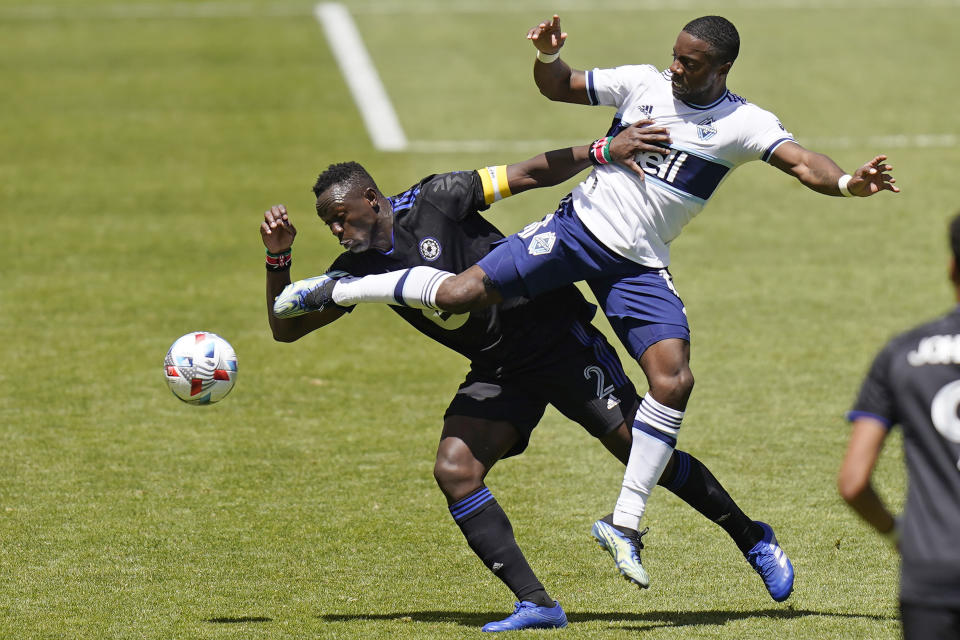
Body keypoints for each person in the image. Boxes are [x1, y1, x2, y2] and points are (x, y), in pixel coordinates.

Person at [276, 14, 896, 591]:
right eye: (674, 57)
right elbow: (560, 86)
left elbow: (804, 162)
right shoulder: (642, 85)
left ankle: (738, 534)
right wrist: (551, 55)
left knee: (672, 383)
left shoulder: (745, 122)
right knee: (462, 292)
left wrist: (847, 183)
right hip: (573, 234)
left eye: (689, 62)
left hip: (635, 265)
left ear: (720, 68)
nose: (675, 69)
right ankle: (341, 288)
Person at [265, 133, 793, 631]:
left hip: (556, 340)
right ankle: (537, 604)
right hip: (499, 369)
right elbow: (285, 329)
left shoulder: (437, 198)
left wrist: (600, 151)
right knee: (455, 470)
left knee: (640, 450)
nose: (337, 231)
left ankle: (752, 538)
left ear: (370, 199)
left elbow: (528, 173)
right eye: (329, 225)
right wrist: (279, 257)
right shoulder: (352, 273)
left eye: (341, 218)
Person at [839, 213, 960, 640]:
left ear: (952, 268)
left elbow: (853, 483)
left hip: (932, 570)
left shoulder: (903, 354)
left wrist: (897, 534)